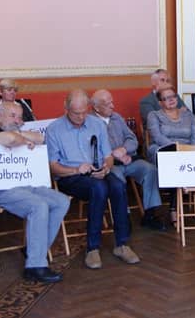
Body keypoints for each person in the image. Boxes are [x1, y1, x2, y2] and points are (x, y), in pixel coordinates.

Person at [47, 90, 140, 270]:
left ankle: (122, 244)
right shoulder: (54, 129)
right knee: (99, 189)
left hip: (97, 171)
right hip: (70, 175)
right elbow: (52, 166)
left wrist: (106, 168)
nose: (81, 117)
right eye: (76, 113)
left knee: (118, 185)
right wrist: (76, 169)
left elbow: (108, 156)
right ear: (66, 108)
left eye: (84, 112)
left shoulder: (96, 124)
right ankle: (93, 247)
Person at [0, 102, 69, 284]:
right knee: (39, 206)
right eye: (12, 116)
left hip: (26, 184)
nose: (17, 120)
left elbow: (40, 138)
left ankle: (34, 250)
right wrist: (23, 139)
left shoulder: (19, 131)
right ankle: (35, 266)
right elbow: (6, 139)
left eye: (20, 117)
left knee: (61, 201)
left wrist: (21, 136)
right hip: (0, 189)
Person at [91, 89, 166, 231]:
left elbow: (132, 138)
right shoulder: (90, 123)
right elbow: (90, 150)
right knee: (116, 177)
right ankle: (123, 217)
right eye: (107, 104)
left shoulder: (117, 118)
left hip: (128, 159)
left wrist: (124, 150)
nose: (113, 106)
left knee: (150, 170)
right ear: (96, 107)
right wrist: (113, 155)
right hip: (109, 165)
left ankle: (150, 214)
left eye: (112, 102)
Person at [146, 84, 195, 224]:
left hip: (186, 153)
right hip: (163, 149)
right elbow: (157, 137)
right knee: (173, 157)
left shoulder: (189, 116)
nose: (171, 100)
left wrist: (194, 151)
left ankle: (173, 208)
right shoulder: (154, 115)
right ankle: (194, 191)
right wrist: (178, 148)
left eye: (173, 96)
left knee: (180, 162)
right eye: (166, 98)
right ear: (160, 102)